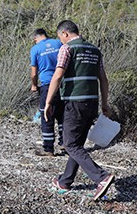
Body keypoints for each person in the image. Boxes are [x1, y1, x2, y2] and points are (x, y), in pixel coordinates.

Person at [44, 20, 115, 201]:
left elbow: (58, 75)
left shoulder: (67, 49)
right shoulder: (95, 50)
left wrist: (48, 101)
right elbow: (103, 80)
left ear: (65, 34)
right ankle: (65, 181)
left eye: (61, 37)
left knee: (70, 144)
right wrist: (105, 103)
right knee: (77, 144)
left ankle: (101, 177)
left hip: (74, 102)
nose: (61, 41)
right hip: (92, 102)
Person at [30, 28, 64, 156]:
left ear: (35, 38)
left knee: (46, 114)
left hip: (47, 84)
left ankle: (48, 148)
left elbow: (34, 72)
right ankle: (64, 143)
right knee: (62, 114)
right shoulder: (58, 43)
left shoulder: (35, 49)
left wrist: (34, 85)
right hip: (62, 83)